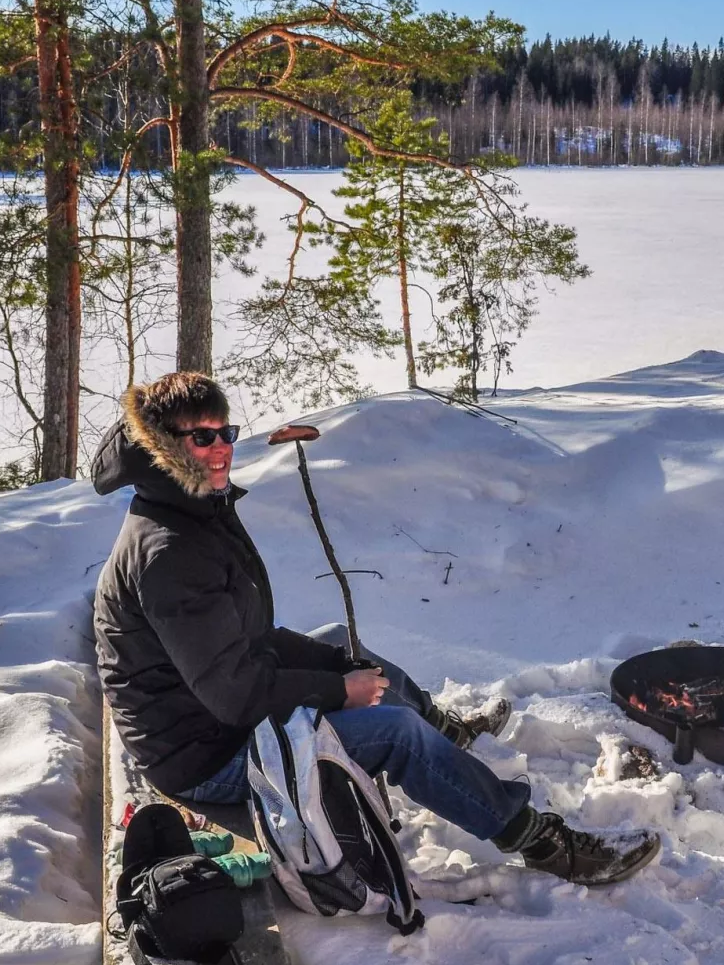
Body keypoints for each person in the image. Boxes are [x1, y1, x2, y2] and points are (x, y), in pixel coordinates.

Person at [92, 371, 660, 887]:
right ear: (165, 450)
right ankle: (542, 843)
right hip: (205, 760)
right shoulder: (170, 552)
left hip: (206, 721)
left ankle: (448, 734)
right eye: (202, 438)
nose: (222, 450)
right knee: (393, 732)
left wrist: (339, 669)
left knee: (344, 645)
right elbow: (234, 693)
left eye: (227, 432)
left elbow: (250, 636)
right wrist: (340, 692)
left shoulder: (194, 513)